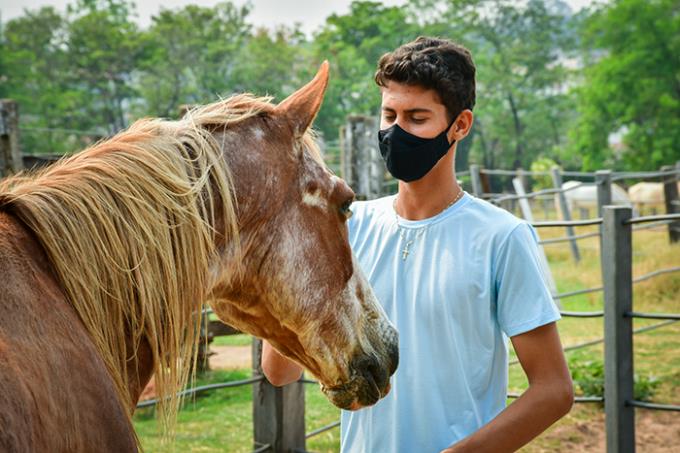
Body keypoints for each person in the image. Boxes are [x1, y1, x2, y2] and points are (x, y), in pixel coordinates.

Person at [262, 36, 573, 453]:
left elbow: (553, 390)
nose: (395, 131)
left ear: (460, 125)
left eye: (416, 118)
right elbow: (277, 372)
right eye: (389, 114)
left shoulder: (502, 238)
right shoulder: (346, 229)